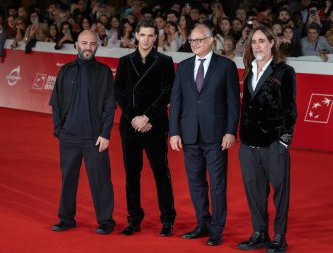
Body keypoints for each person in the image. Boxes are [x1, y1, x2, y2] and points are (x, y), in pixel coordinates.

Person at [169, 24, 240, 246]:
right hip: (189, 135)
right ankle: (202, 223)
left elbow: (233, 103)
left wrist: (230, 131)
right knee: (196, 182)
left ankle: (217, 229)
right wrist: (174, 133)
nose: (195, 44)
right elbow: (176, 101)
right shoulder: (182, 67)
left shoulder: (226, 66)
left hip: (217, 136)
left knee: (218, 184)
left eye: (199, 40)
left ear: (211, 40)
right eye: (192, 40)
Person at [49, 30, 117, 235]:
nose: (88, 47)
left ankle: (106, 221)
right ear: (76, 45)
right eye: (84, 43)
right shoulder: (65, 71)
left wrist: (105, 134)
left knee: (101, 180)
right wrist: (58, 131)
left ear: (97, 46)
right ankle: (66, 219)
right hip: (68, 136)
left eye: (92, 44)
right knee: (67, 179)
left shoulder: (104, 72)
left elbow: (109, 106)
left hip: (94, 138)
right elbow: (56, 103)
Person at [237, 25, 297, 253]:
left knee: (280, 192)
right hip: (248, 145)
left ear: (272, 43)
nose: (257, 45)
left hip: (274, 143)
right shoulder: (248, 70)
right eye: (254, 42)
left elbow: (291, 109)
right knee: (254, 191)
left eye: (262, 41)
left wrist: (284, 140)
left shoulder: (284, 71)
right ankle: (259, 233)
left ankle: (280, 237)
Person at [114, 18, 176, 237]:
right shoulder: (124, 62)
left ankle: (167, 219)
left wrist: (147, 117)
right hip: (130, 126)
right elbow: (119, 93)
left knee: (161, 173)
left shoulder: (165, 61)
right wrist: (134, 118)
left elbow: (167, 92)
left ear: (155, 37)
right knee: (132, 175)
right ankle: (133, 218)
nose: (147, 39)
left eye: (151, 35)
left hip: (154, 126)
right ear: (136, 36)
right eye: (143, 35)